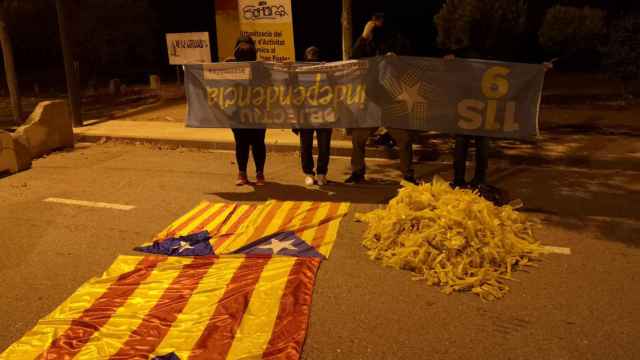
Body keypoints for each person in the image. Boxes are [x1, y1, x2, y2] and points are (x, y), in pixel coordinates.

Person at [345, 13, 417, 184]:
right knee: (358, 138)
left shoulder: (397, 40)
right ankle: (357, 172)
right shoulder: (367, 43)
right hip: (372, 100)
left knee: (404, 139)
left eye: (378, 23)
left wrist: (398, 58)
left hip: (391, 99)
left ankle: (408, 175)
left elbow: (411, 61)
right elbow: (354, 56)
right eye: (373, 23)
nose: (376, 26)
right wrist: (364, 35)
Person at [226, 36, 267, 186]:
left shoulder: (261, 67)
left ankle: (260, 173)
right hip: (237, 113)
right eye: (241, 49)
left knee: (258, 143)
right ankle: (242, 173)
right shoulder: (229, 66)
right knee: (241, 143)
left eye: (247, 48)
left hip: (258, 113)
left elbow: (271, 84)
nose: (245, 52)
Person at [293, 46, 333, 186]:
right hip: (306, 116)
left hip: (324, 115)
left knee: (324, 146)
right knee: (306, 146)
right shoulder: (299, 75)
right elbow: (294, 97)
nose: (312, 64)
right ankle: (309, 173)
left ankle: (322, 173)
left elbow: (336, 91)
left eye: (314, 61)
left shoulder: (327, 73)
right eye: (310, 61)